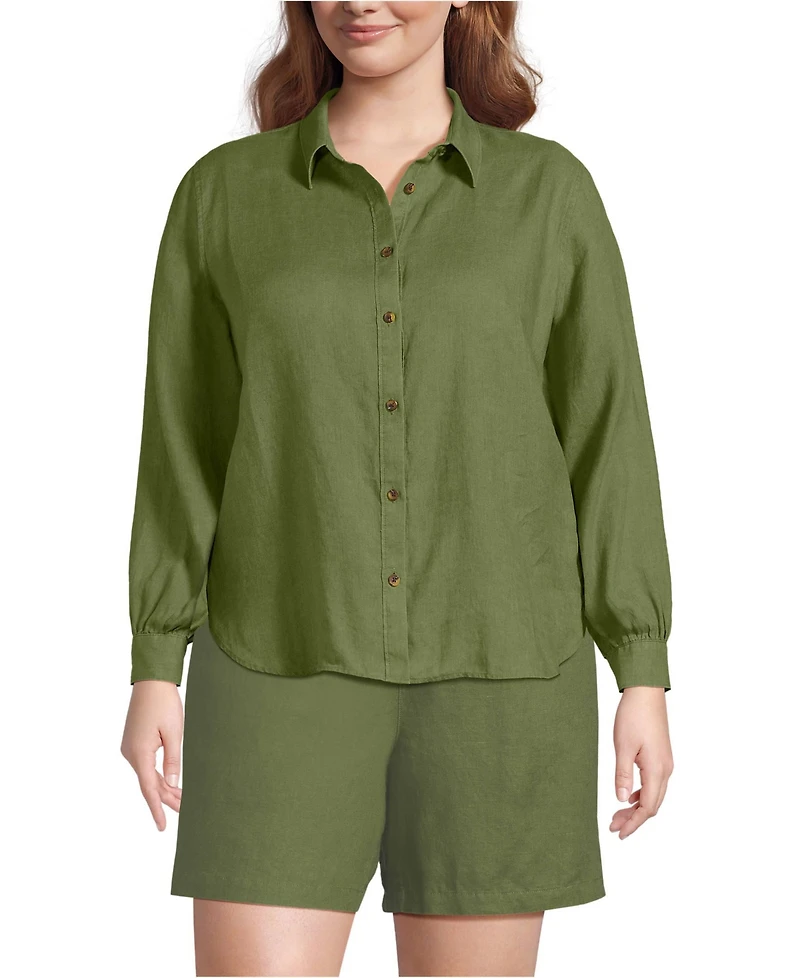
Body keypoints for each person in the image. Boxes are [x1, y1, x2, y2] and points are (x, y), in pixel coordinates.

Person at [120, 2, 675, 975]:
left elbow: (606, 437)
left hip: (498, 669)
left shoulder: (548, 196)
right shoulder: (223, 196)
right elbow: (184, 441)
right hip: (277, 658)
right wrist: (155, 660)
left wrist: (641, 668)